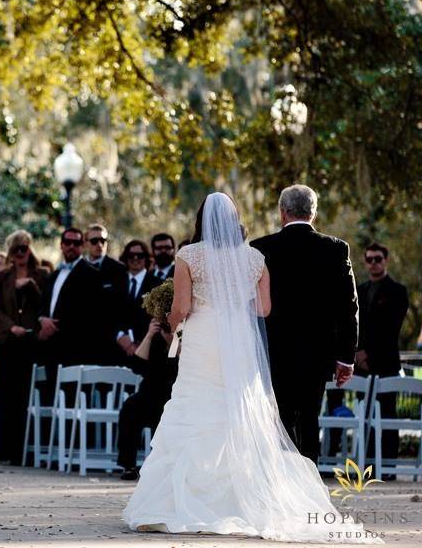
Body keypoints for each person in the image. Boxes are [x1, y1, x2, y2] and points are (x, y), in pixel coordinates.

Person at [124, 192, 378, 543]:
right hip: (239, 343)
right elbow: (263, 309)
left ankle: (184, 500)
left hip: (202, 342)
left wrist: (169, 316)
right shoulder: (254, 257)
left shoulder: (190, 255)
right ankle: (240, 499)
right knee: (237, 413)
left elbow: (181, 308)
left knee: (193, 406)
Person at [251, 184, 358, 464]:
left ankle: (281, 483)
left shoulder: (260, 248)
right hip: (317, 352)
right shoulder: (335, 249)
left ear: (282, 213)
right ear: (313, 213)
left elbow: (249, 306)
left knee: (280, 417)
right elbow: (348, 307)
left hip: (273, 350)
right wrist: (346, 358)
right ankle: (309, 482)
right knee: (310, 417)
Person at [0, 230, 48, 464]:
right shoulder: (3, 276)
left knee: (23, 396)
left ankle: (20, 451)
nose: (21, 253)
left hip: (30, 341)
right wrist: (11, 326)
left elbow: (44, 303)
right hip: (7, 340)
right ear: (10, 253)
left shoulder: (42, 274)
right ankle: (1, 450)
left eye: (24, 248)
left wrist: (31, 285)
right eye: (16, 250)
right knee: (4, 396)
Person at [356, 242, 408, 470]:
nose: (374, 263)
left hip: (386, 363)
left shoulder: (398, 291)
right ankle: (366, 465)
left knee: (387, 415)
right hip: (361, 366)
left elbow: (391, 328)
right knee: (363, 414)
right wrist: (358, 353)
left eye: (378, 259)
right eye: (370, 259)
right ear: (365, 262)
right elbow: (354, 325)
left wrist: (369, 353)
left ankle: (388, 467)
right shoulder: (359, 289)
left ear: (385, 260)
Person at [116, 319, 177, 480]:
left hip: (171, 394)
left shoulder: (180, 335)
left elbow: (180, 364)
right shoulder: (153, 338)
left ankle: (163, 465)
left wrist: (171, 339)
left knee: (166, 413)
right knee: (130, 408)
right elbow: (137, 366)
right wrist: (150, 335)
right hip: (149, 391)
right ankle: (128, 465)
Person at [38, 229, 105, 369]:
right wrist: (42, 320)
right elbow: (43, 305)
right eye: (67, 242)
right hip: (49, 348)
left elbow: (90, 313)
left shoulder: (92, 274)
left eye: (76, 243)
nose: (71, 246)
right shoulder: (53, 275)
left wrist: (54, 327)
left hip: (75, 349)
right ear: (61, 245)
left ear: (82, 246)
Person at [117, 240, 161, 357]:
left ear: (146, 258)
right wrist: (121, 337)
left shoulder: (157, 285)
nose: (135, 258)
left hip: (148, 351)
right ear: (125, 257)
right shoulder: (116, 282)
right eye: (131, 255)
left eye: (140, 255)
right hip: (118, 351)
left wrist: (140, 344)